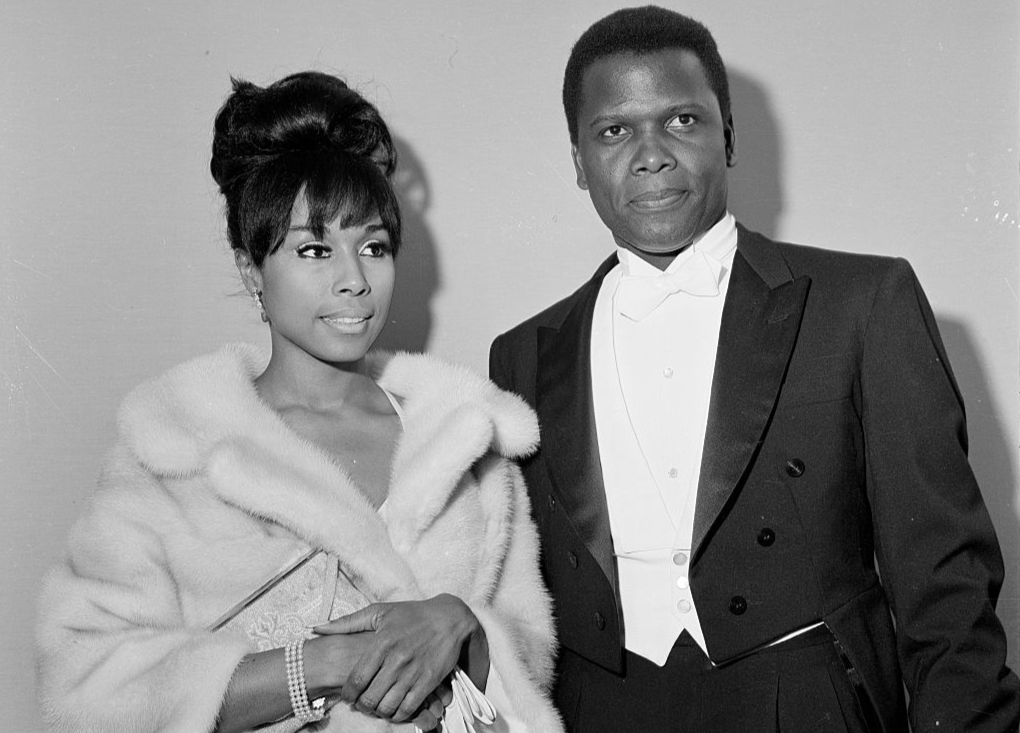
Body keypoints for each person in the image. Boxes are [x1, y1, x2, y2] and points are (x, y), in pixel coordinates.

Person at [489, 7, 1019, 732]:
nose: (651, 154)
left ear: (728, 136)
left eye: (682, 120)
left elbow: (947, 592)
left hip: (805, 706)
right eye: (614, 130)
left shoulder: (861, 303)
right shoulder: (521, 352)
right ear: (578, 161)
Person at [36, 70, 564, 733]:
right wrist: (321, 665)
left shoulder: (467, 442)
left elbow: (531, 656)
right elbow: (85, 686)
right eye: (315, 249)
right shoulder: (176, 455)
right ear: (251, 270)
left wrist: (463, 629)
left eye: (373, 246)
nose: (354, 281)